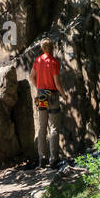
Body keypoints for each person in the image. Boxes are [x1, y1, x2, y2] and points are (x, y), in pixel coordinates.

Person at [29, 38, 65, 169]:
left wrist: (38, 88)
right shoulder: (54, 62)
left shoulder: (38, 61)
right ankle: (54, 159)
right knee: (54, 127)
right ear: (52, 47)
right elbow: (57, 83)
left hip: (42, 94)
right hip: (53, 95)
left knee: (42, 126)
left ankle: (41, 159)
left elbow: (31, 77)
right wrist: (64, 95)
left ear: (42, 48)